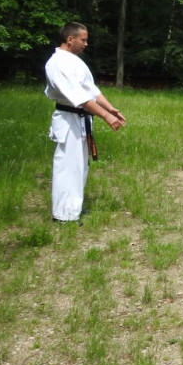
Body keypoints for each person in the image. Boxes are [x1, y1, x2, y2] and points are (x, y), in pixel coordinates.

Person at [44, 22, 127, 224]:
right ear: (70, 39)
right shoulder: (57, 63)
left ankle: (74, 207)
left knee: (80, 166)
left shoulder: (75, 61)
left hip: (80, 120)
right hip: (68, 120)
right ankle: (63, 215)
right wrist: (106, 116)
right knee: (68, 166)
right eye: (83, 39)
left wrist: (110, 108)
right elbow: (78, 97)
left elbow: (91, 90)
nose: (86, 44)